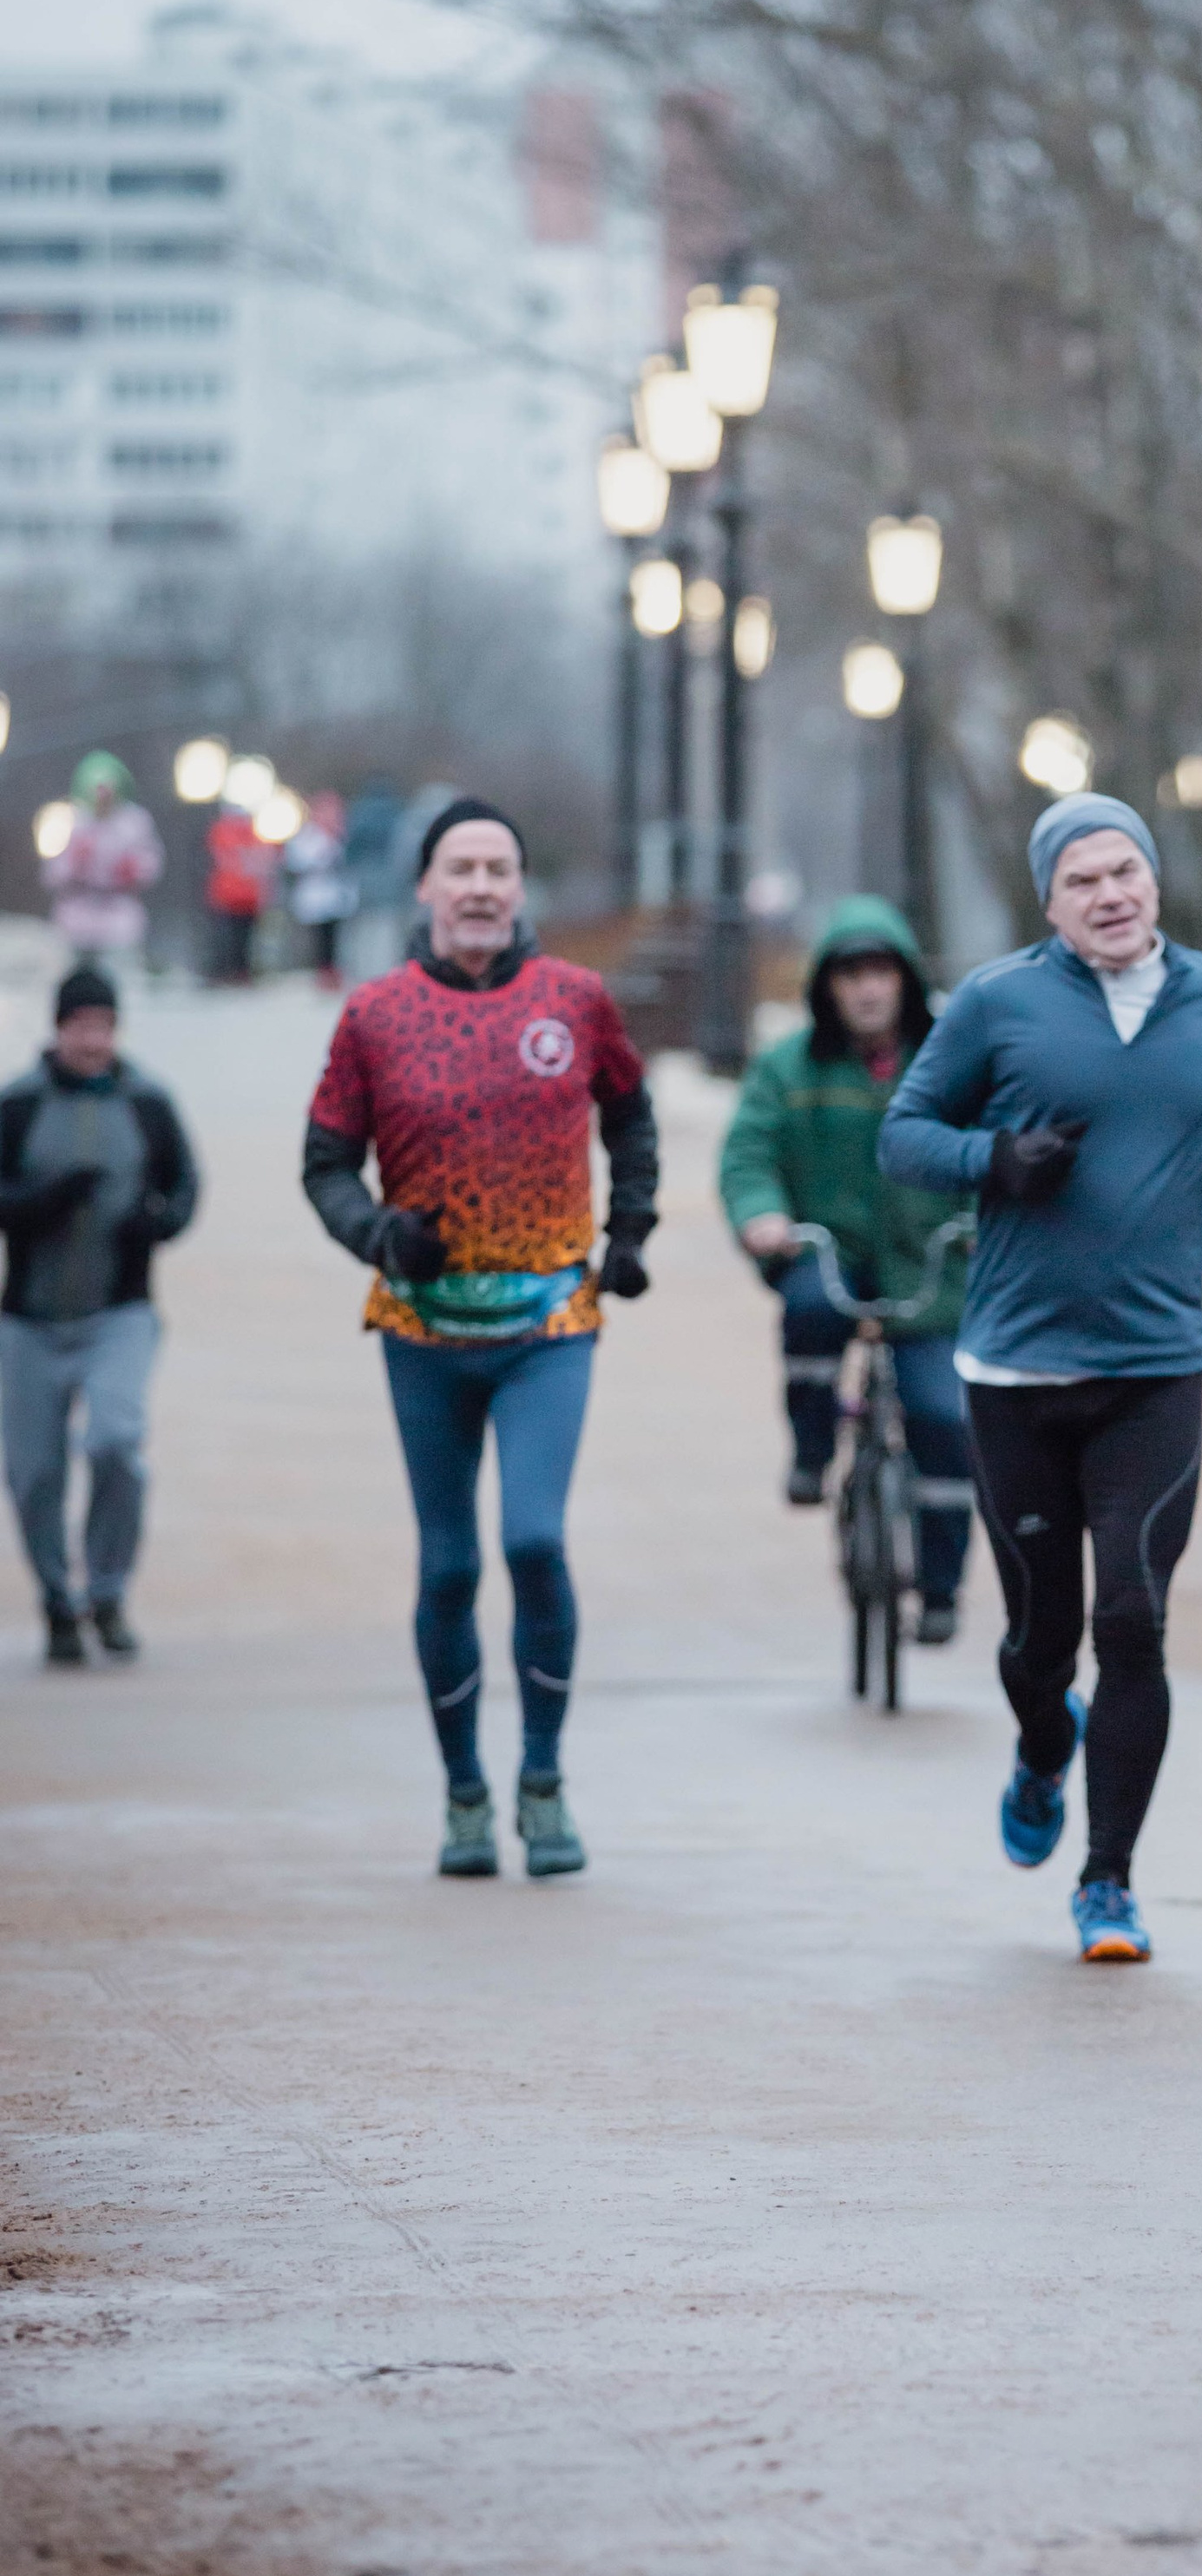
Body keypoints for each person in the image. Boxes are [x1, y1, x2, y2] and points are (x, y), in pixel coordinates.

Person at [881, 792, 1202, 1962]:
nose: (1110, 896)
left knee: (1135, 1619)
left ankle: (1107, 1882)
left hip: (1156, 1366)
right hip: (1015, 1369)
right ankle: (1039, 1744)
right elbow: (903, 1134)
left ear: (1154, 881)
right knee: (1039, 1641)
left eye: (1126, 874)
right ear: (1049, 902)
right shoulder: (998, 1003)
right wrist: (991, 1160)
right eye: (1082, 882)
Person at [300, 799, 658, 1881]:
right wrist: (376, 1234)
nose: (481, 887)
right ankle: (464, 1792)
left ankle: (541, 1781)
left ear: (520, 887)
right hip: (423, 1329)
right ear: (424, 888)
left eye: (499, 867)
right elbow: (322, 1164)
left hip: (550, 1320)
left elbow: (631, 1119)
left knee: (535, 1542)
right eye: (460, 867)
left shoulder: (577, 1001)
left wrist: (628, 1230)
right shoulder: (374, 1015)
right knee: (450, 1564)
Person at [718, 895, 975, 1641]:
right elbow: (748, 1156)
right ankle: (811, 1449)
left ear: (906, 981)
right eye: (851, 975)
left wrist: (982, 1226)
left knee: (943, 1418)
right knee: (810, 1311)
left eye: (881, 973)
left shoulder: (953, 1066)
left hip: (929, 1269)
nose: (867, 989)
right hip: (825, 1251)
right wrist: (761, 1215)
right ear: (828, 987)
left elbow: (995, 1150)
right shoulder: (787, 1067)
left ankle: (941, 1590)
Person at [0, 966, 198, 1665]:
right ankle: (58, 1596)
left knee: (115, 1440)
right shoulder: (19, 1105)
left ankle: (107, 1590)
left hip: (121, 1310)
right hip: (29, 1317)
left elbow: (184, 1185)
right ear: (58, 1029)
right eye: (81, 1026)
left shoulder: (147, 1102)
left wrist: (159, 1222)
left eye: (104, 1026)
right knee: (31, 1473)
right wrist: (44, 1200)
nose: (93, 1039)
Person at [43, 753, 164, 964]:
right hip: (77, 911)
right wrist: (74, 864)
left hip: (118, 911)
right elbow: (51, 873)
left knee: (120, 969)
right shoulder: (69, 819)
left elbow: (152, 863)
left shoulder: (134, 822)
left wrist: (136, 870)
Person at [285, 790, 357, 988]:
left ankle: (334, 971)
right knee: (319, 937)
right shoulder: (307, 836)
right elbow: (297, 861)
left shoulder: (342, 835)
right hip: (315, 894)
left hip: (337, 895)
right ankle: (322, 972)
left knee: (335, 935)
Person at [203, 803, 274, 984]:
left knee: (245, 936)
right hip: (229, 894)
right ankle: (227, 971)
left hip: (248, 895)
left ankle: (242, 971)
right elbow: (226, 858)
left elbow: (264, 859)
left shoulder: (255, 832)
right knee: (228, 936)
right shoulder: (223, 831)